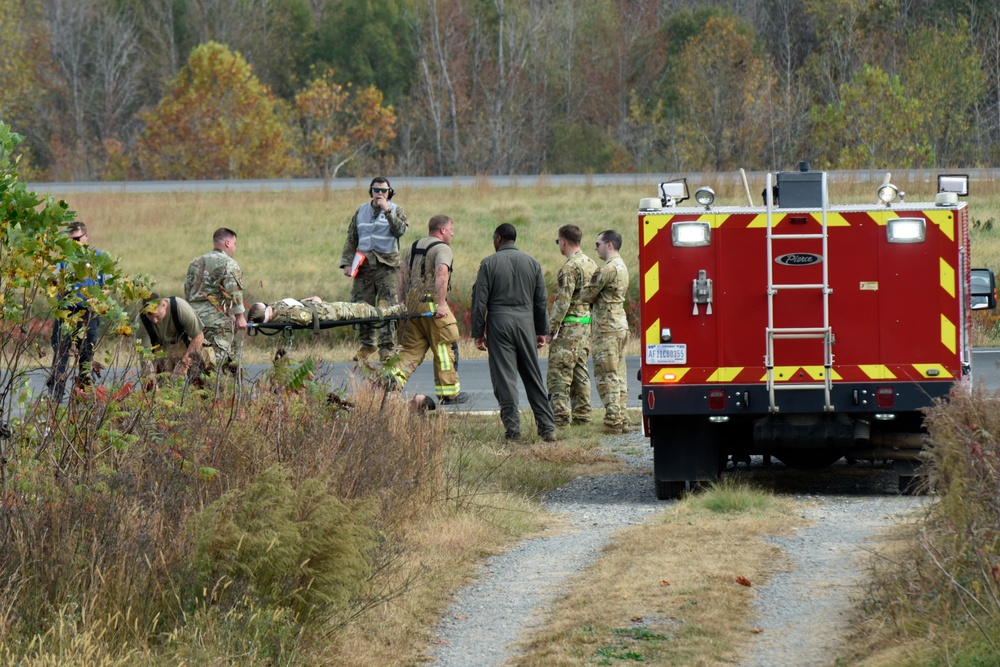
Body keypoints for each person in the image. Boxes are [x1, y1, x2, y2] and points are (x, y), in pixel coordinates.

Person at [470, 223, 557, 443]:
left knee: (505, 378)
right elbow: (541, 300)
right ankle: (547, 428)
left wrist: (478, 332)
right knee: (533, 375)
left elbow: (479, 302)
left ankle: (513, 431)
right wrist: (541, 331)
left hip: (499, 322)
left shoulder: (488, 264)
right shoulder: (532, 262)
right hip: (526, 322)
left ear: (499, 238)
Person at [392, 214, 465, 404]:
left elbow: (401, 276)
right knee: (444, 346)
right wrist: (441, 304)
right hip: (432, 306)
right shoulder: (442, 248)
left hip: (411, 308)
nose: (452, 233)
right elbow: (441, 272)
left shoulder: (412, 248)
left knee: (409, 351)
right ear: (442, 230)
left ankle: (389, 384)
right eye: (450, 229)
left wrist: (401, 303)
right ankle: (448, 394)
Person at [339, 176, 409, 361]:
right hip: (363, 265)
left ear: (389, 193)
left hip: (387, 266)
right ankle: (367, 345)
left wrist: (387, 212)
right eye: (376, 190)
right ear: (371, 191)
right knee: (361, 305)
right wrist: (347, 262)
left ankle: (386, 347)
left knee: (387, 307)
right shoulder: (361, 211)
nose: (380, 194)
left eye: (384, 191)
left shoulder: (396, 210)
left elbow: (400, 230)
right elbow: (351, 237)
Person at [544, 224, 597, 427]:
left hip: (569, 327)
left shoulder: (569, 267)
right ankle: (583, 415)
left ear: (563, 241)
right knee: (580, 372)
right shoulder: (591, 263)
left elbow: (563, 301)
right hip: (585, 325)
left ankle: (560, 417)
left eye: (558, 242)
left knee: (559, 373)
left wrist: (551, 329)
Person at [580, 230, 632, 434]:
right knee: (619, 374)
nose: (596, 248)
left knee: (606, 374)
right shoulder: (622, 266)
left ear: (609, 245)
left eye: (598, 244)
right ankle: (623, 417)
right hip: (620, 324)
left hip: (606, 329)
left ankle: (613, 420)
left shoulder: (607, 269)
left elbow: (587, 294)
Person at [46, 222, 104, 400]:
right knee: (61, 350)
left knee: (86, 352)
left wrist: (97, 297)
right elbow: (52, 281)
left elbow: (107, 285)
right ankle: (56, 391)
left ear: (86, 237)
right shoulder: (63, 260)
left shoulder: (97, 257)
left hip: (87, 311)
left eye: (77, 239)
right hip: (66, 310)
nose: (75, 243)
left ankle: (83, 392)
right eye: (70, 240)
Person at [184, 227, 247, 372]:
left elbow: (188, 289)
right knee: (218, 363)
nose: (235, 248)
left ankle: (195, 391)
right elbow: (234, 291)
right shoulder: (228, 263)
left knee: (196, 360)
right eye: (234, 244)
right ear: (227, 243)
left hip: (192, 319)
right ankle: (216, 391)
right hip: (216, 322)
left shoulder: (196, 262)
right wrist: (240, 317)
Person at [137, 293, 207, 381]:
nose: (154, 321)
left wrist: (184, 363)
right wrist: (152, 382)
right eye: (150, 317)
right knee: (154, 383)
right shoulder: (141, 321)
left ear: (164, 305)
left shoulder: (180, 308)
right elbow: (145, 355)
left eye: (158, 316)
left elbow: (199, 336)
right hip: (160, 349)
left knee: (202, 370)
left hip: (185, 344)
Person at [247, 296, 406, 324]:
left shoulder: (276, 309)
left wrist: (307, 301)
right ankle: (400, 309)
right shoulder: (282, 314)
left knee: (363, 307)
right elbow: (306, 317)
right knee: (364, 310)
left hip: (325, 308)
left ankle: (387, 308)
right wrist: (315, 305)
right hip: (330, 312)